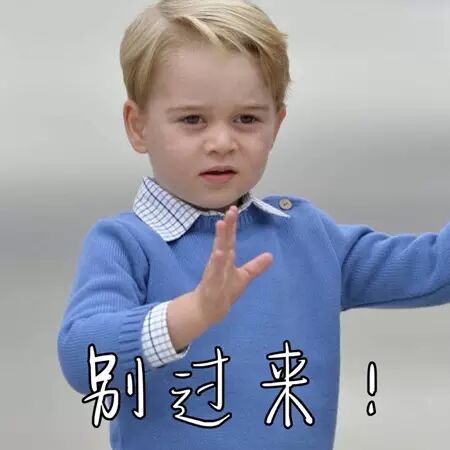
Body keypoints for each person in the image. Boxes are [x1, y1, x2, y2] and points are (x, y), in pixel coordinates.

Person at [56, 1, 450, 449]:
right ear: (138, 125)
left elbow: (432, 268)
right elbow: (83, 357)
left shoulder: (307, 236)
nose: (222, 142)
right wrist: (192, 313)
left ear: (276, 124)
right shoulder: (126, 244)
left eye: (246, 119)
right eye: (192, 119)